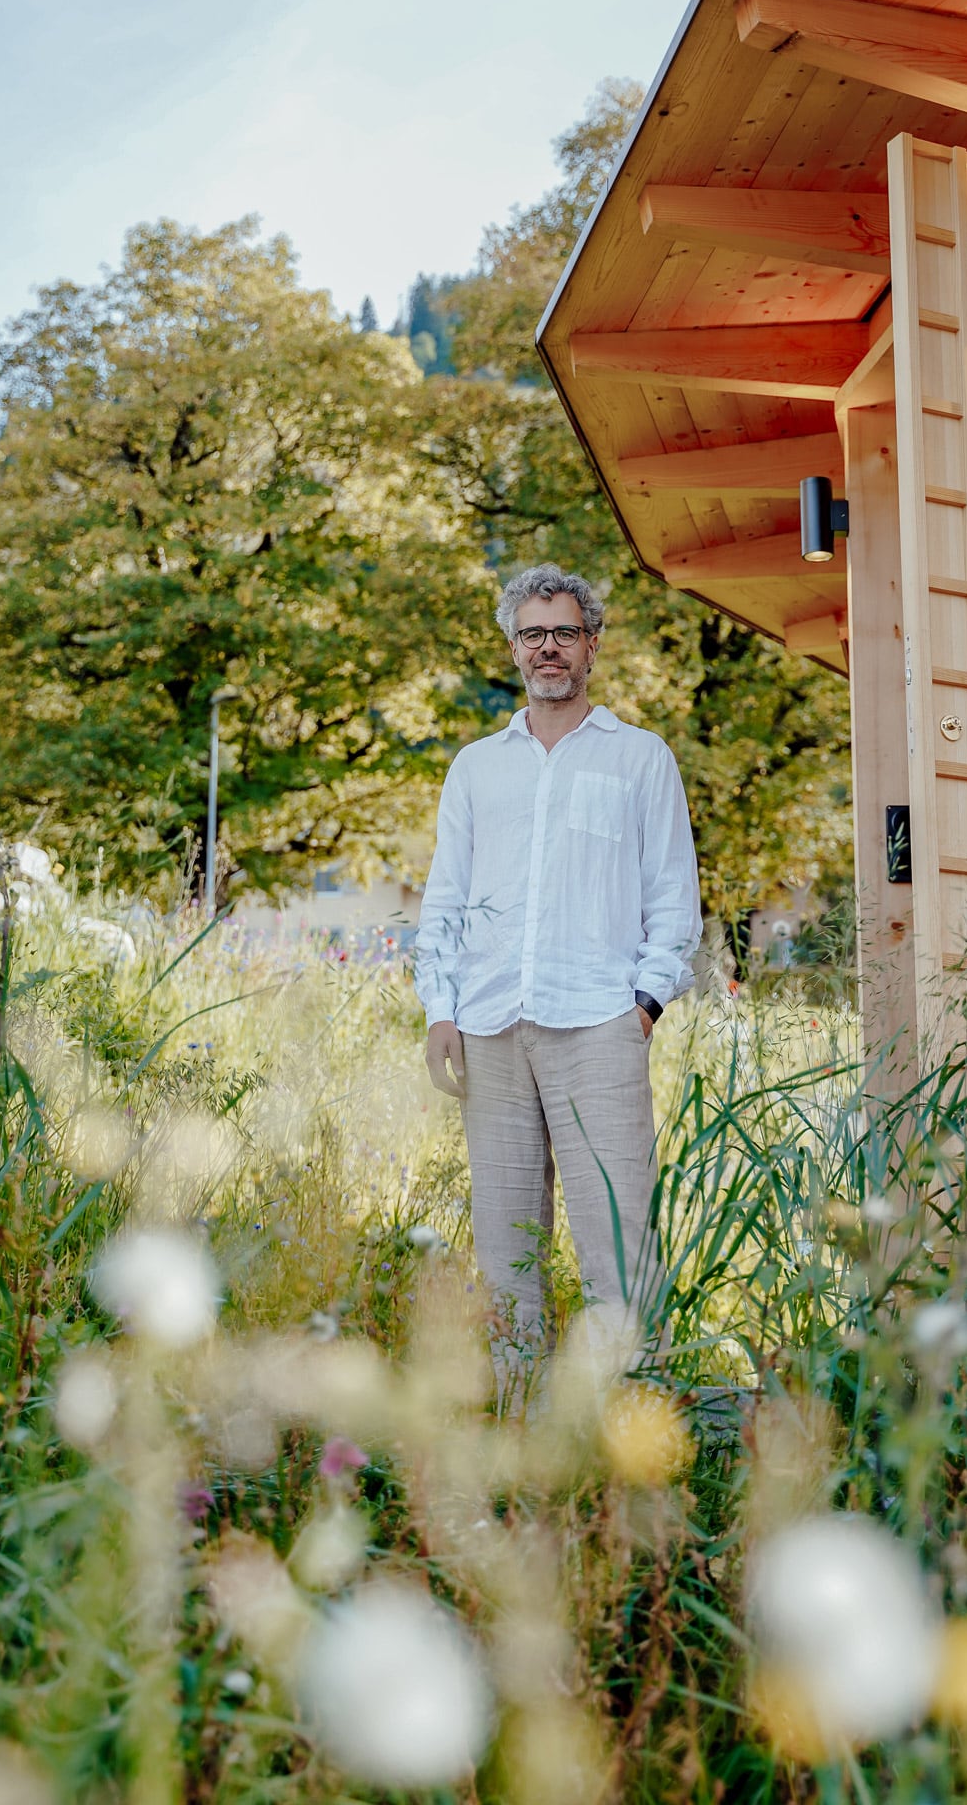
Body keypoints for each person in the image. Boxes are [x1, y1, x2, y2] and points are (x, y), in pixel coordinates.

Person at [414, 562, 701, 1387]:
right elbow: (446, 898)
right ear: (513, 649)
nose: (549, 648)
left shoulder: (640, 759)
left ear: (592, 647)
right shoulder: (475, 767)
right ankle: (518, 1424)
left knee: (618, 1236)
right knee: (506, 1245)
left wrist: (642, 1007)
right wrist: (441, 1008)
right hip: (490, 1028)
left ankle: (627, 1418)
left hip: (598, 1026)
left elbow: (672, 899)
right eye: (533, 634)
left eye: (564, 633)